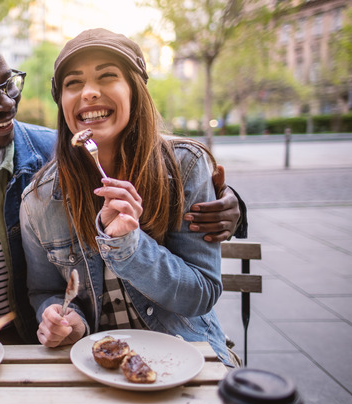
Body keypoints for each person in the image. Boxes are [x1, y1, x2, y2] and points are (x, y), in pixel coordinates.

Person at [0, 18, 244, 345]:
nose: (5, 103)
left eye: (8, 84)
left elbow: (149, 164)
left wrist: (232, 208)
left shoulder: (51, 156)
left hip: (24, 345)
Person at [19, 28, 237, 365]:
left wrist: (130, 247)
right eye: (73, 83)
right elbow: (43, 291)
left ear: (135, 90)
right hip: (96, 364)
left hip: (186, 354)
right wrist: (64, 320)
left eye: (107, 76)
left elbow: (202, 294)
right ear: (62, 102)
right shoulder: (39, 199)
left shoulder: (185, 167)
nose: (89, 92)